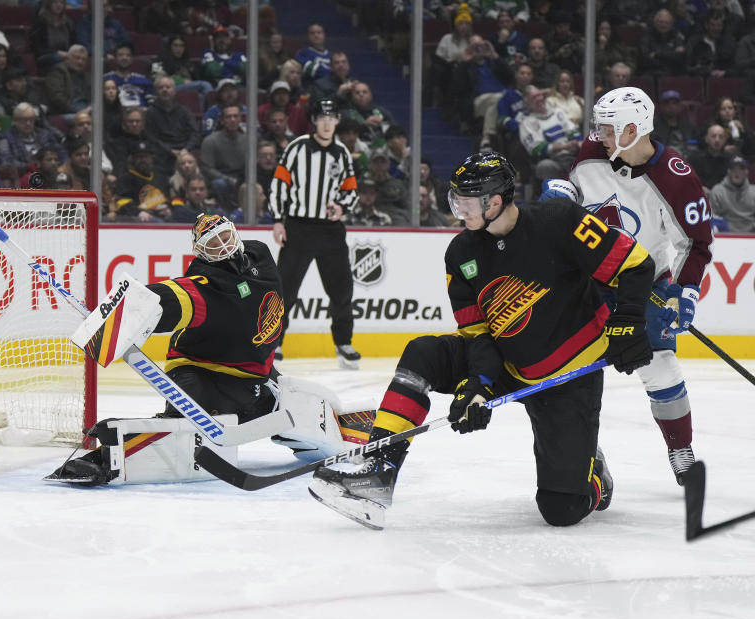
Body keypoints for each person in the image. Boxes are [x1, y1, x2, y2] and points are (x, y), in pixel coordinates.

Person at [309, 151, 657, 530]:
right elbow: (478, 335)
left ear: (495, 200)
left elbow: (636, 264)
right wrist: (478, 384)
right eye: (455, 199)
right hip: (508, 363)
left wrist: (628, 323)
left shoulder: (559, 221)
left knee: (562, 510)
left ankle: (591, 468)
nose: (458, 208)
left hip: (569, 375)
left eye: (466, 200)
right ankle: (380, 469)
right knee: (424, 352)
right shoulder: (461, 254)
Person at [48, 214, 286, 485]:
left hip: (255, 368)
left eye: (224, 235)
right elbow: (163, 298)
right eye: (212, 242)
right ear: (201, 252)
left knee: (289, 406)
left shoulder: (260, 253)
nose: (222, 245)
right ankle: (108, 458)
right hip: (199, 370)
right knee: (187, 424)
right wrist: (115, 316)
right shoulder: (203, 287)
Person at [562, 86, 715, 484]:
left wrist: (684, 292)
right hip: (588, 279)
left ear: (635, 129)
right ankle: (579, 449)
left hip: (643, 281)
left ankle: (680, 448)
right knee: (569, 367)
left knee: (661, 367)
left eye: (609, 129)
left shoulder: (677, 178)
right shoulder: (590, 153)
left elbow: (694, 243)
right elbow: (573, 206)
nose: (600, 136)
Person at [269, 98, 360, 368]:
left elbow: (351, 189)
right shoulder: (297, 148)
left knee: (342, 290)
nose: (327, 123)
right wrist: (277, 220)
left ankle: (343, 343)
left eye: (332, 118)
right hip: (299, 227)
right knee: (285, 289)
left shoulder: (342, 152)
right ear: (314, 121)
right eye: (322, 118)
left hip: (331, 230)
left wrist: (342, 206)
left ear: (337, 122)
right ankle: (274, 343)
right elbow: (279, 185)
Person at [709, 155, 755, 233]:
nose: (737, 172)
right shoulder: (718, 191)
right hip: (724, 236)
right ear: (728, 171)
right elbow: (712, 217)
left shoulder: (753, 191)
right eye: (733, 169)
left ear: (746, 172)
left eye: (741, 169)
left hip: (751, 236)